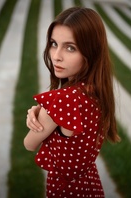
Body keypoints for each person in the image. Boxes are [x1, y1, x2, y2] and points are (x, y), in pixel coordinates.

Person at [24, 6, 120, 197]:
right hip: (90, 185)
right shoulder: (97, 92)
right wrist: (44, 111)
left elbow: (29, 143)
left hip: (66, 191)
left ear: (90, 52)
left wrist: (40, 116)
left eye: (70, 47)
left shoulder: (62, 100)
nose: (56, 56)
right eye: (53, 43)